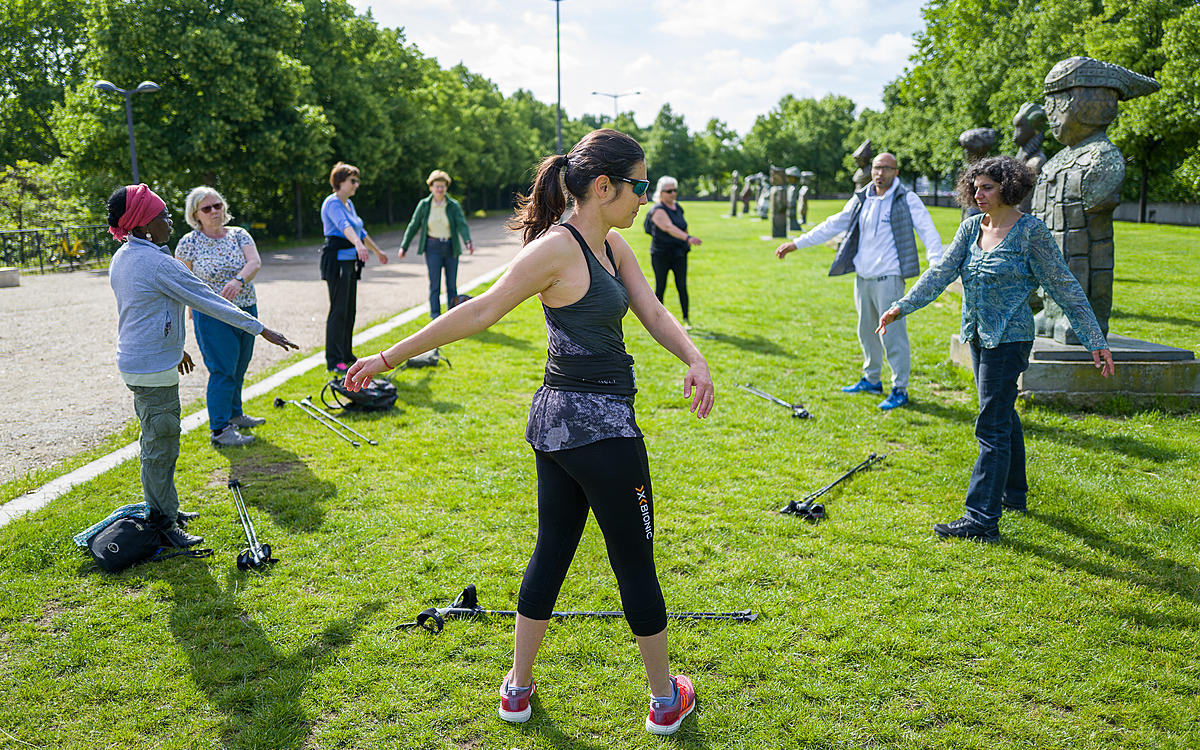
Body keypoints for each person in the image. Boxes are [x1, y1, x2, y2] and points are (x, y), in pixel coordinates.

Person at [346, 130, 713, 735]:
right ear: (604, 186)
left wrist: (693, 359)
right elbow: (479, 311)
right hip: (600, 434)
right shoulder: (555, 251)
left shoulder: (613, 244)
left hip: (556, 429)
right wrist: (388, 358)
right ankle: (665, 700)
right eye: (639, 186)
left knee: (554, 548)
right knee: (635, 563)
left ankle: (517, 688)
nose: (644, 197)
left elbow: (652, 310)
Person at [877, 156, 1115, 542]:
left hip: (1009, 339)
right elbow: (940, 273)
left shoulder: (1030, 233)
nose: (977, 193)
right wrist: (901, 306)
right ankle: (1013, 494)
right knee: (1002, 414)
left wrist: (1094, 340)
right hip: (977, 334)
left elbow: (1064, 287)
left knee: (990, 424)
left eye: (986, 187)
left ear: (1009, 188)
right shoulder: (972, 227)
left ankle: (981, 519)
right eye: (975, 186)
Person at [106, 184, 298, 548]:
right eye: (161, 216)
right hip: (150, 368)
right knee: (161, 445)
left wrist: (175, 347)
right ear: (144, 226)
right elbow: (208, 300)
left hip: (141, 360)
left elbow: (141, 309)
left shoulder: (126, 254)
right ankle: (163, 523)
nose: (168, 222)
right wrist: (261, 329)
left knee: (157, 439)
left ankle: (164, 508)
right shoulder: (158, 261)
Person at [776, 152, 943, 411]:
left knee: (893, 336)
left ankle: (900, 389)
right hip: (862, 278)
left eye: (887, 169)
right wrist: (798, 243)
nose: (880, 173)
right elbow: (833, 224)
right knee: (867, 332)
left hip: (889, 278)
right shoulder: (862, 198)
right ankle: (871, 379)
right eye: (877, 168)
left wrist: (936, 267)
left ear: (895, 172)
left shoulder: (906, 199)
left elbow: (928, 232)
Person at [175, 186, 266, 447]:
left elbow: (254, 262)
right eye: (207, 208)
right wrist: (192, 307)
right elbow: (183, 280)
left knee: (239, 366)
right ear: (196, 214)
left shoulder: (239, 234)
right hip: (212, 315)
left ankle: (235, 414)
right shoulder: (189, 242)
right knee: (222, 370)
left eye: (218, 206)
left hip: (246, 309)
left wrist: (238, 281)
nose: (215, 211)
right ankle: (219, 429)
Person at [321, 162, 388, 373]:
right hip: (337, 262)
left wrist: (377, 251)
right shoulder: (332, 203)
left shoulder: (349, 204)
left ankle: (347, 354)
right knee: (338, 311)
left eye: (357, 181)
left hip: (351, 263)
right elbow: (345, 227)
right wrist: (357, 244)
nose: (356, 185)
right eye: (353, 181)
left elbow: (360, 230)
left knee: (350, 310)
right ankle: (334, 360)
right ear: (340, 182)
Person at [400, 170, 474, 318]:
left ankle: (452, 316)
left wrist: (467, 241)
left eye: (443, 186)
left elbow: (461, 224)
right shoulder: (424, 205)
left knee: (451, 285)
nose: (440, 189)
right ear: (431, 187)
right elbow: (413, 225)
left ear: (446, 187)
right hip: (432, 247)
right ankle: (435, 316)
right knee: (435, 285)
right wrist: (404, 246)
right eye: (437, 186)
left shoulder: (453, 205)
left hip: (450, 247)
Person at [647, 176, 702, 328]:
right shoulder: (657, 210)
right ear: (661, 193)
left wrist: (686, 240)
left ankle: (686, 318)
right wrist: (688, 238)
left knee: (682, 286)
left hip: (678, 254)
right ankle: (656, 321)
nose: (673, 194)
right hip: (661, 254)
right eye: (669, 191)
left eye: (675, 190)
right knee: (661, 286)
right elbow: (668, 227)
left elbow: (683, 225)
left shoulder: (678, 207)